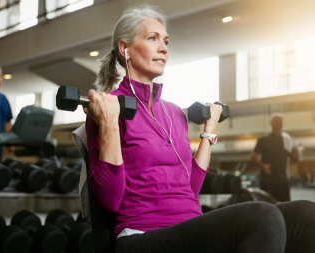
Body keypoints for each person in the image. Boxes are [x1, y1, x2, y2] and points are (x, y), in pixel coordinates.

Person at [84, 5, 315, 253]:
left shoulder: (174, 113)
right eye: (152, 39)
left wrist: (209, 130)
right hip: (142, 235)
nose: (163, 48)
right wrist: (109, 125)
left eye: (166, 41)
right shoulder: (109, 108)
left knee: (305, 213)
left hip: (189, 225)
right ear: (125, 48)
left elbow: (190, 190)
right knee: (262, 216)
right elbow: (108, 200)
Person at [251, 114, 294, 202]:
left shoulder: (286, 140)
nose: (278, 124)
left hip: (283, 181)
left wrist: (298, 154)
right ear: (271, 124)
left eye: (279, 122)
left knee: (285, 207)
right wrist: (263, 167)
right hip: (268, 181)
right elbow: (253, 156)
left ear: (282, 124)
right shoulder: (263, 140)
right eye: (275, 121)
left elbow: (293, 158)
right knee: (268, 208)